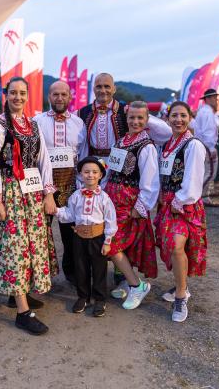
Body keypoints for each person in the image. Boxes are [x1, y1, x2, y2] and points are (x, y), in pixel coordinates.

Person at [78, 73, 171, 285]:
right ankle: (108, 277)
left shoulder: (126, 114)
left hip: (126, 188)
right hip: (101, 173)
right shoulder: (85, 113)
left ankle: (126, 280)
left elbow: (164, 134)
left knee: (116, 237)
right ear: (93, 89)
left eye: (107, 86)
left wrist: (137, 112)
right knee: (101, 228)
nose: (103, 90)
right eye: (99, 86)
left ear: (114, 89)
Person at [0, 76, 58, 335]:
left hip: (33, 193)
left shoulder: (33, 125)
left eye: (22, 93)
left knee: (32, 245)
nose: (18, 97)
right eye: (13, 92)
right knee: (15, 247)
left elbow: (43, 159)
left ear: (27, 95)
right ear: (6, 95)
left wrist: (49, 193)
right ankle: (23, 313)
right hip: (10, 192)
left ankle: (20, 294)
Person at [154, 101, 207, 322]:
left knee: (176, 246)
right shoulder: (167, 144)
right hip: (166, 203)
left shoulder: (193, 145)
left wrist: (181, 199)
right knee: (171, 248)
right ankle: (180, 285)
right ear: (167, 119)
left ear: (190, 118)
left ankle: (181, 295)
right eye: (174, 115)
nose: (178, 120)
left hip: (184, 204)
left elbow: (194, 178)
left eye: (183, 115)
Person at [104, 101, 159, 309]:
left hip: (129, 202)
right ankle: (128, 282)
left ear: (147, 120)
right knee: (119, 245)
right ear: (126, 119)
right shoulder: (121, 141)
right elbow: (111, 170)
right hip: (112, 199)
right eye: (132, 118)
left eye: (140, 118)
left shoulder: (147, 146)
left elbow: (150, 180)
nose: (135, 121)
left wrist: (141, 205)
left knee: (112, 244)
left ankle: (137, 286)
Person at [34, 81, 87, 284]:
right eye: (55, 94)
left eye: (64, 94)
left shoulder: (78, 123)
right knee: (40, 232)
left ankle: (71, 272)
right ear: (49, 96)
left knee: (70, 233)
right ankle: (40, 274)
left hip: (70, 185)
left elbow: (82, 156)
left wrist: (81, 185)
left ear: (70, 97)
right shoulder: (36, 121)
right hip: (42, 185)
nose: (59, 98)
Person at [56, 156, 117, 317]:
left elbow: (111, 221)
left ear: (100, 175)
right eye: (86, 172)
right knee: (81, 268)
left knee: (99, 269)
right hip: (79, 238)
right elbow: (69, 214)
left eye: (95, 172)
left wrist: (107, 241)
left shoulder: (104, 198)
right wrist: (56, 210)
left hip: (98, 238)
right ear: (80, 174)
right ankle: (83, 297)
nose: (90, 175)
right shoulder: (76, 195)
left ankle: (100, 299)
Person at [190, 88, 219, 207]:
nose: (216, 100)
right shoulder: (207, 112)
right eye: (214, 97)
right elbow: (208, 132)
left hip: (203, 145)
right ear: (208, 99)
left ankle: (203, 197)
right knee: (210, 173)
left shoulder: (204, 111)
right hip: (206, 145)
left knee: (206, 172)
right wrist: (211, 148)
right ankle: (196, 197)